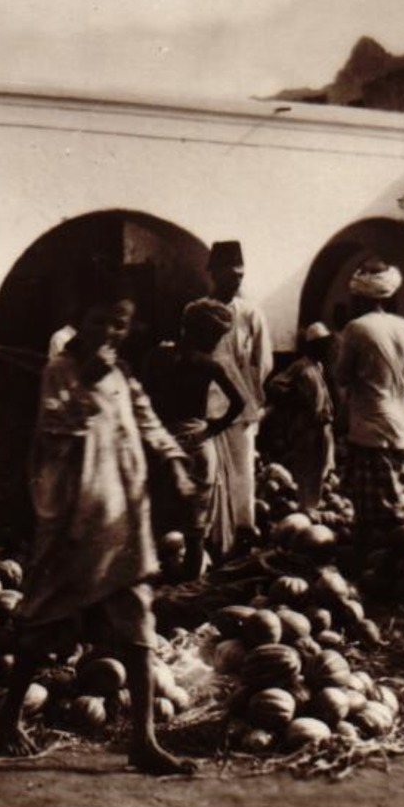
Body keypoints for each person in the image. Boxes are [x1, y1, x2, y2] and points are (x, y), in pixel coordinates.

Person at [0, 278, 198, 775]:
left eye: (119, 323)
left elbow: (148, 423)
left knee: (138, 630)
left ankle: (144, 739)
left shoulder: (124, 375)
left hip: (123, 520)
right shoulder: (60, 372)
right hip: (72, 521)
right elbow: (56, 431)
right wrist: (87, 380)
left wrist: (174, 461)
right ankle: (7, 716)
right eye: (98, 321)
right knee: (43, 625)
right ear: (79, 322)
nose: (109, 331)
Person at [333, 259, 404, 547]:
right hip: (399, 425)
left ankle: (385, 563)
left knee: (376, 514)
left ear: (359, 297)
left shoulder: (356, 329)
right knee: (392, 499)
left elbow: (343, 377)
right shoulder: (402, 327)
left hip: (370, 429)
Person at [139, 298, 245, 579]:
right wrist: (212, 428)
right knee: (195, 530)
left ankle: (152, 586)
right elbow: (239, 402)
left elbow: (143, 397)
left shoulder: (156, 357)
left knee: (155, 519)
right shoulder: (209, 364)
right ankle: (190, 588)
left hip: (161, 442)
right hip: (197, 444)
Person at [191, 240, 271, 558]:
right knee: (207, 471)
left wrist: (252, 393)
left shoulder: (251, 313)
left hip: (240, 406)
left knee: (241, 472)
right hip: (205, 405)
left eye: (240, 274)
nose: (235, 279)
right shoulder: (197, 310)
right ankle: (209, 536)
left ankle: (242, 532)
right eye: (228, 273)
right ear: (213, 273)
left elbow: (263, 361)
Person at [265, 322, 337, 512]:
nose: (326, 348)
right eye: (322, 344)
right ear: (313, 346)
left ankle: (312, 506)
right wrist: (295, 399)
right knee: (307, 467)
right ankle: (305, 507)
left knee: (321, 468)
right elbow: (275, 385)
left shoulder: (318, 366)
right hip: (307, 426)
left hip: (323, 424)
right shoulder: (300, 366)